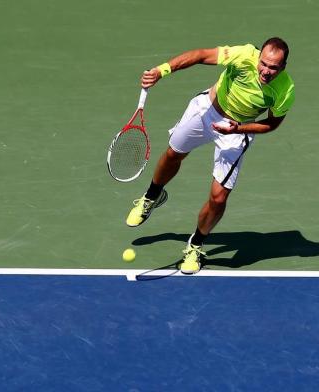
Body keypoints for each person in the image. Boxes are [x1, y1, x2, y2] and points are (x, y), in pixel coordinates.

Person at [126, 37, 295, 274]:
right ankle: (152, 196)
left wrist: (239, 128)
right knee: (174, 153)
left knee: (219, 198)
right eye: (264, 64)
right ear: (258, 57)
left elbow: (272, 124)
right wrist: (161, 71)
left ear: (283, 67)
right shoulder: (244, 55)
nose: (266, 71)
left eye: (274, 67)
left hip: (237, 130)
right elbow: (201, 55)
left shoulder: (285, 90)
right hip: (206, 110)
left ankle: (195, 245)